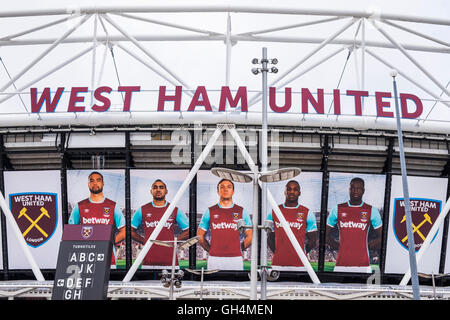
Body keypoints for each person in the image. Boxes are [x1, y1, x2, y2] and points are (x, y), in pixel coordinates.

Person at [68, 171, 126, 268]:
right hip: (86, 256)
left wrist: (109, 241)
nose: (95, 183)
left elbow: (124, 231)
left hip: (108, 255)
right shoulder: (79, 206)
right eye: (92, 181)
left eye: (98, 180)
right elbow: (71, 232)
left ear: (103, 183)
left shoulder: (113, 206)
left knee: (108, 282)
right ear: (88, 184)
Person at [326, 177, 382, 273]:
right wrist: (338, 246)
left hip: (363, 265)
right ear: (349, 190)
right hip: (341, 265)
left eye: (358, 188)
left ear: (363, 190)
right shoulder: (338, 209)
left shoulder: (371, 210)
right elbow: (325, 234)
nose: (355, 191)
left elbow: (382, 237)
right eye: (353, 188)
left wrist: (366, 247)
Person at [131, 179, 189, 269]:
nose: (158, 190)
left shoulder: (174, 209)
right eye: (155, 187)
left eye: (161, 187)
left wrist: (175, 241)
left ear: (166, 191)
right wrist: (144, 241)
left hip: (170, 260)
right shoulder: (142, 209)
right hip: (148, 261)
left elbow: (189, 231)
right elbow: (130, 231)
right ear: (151, 191)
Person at [197, 178, 252, 271]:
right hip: (214, 258)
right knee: (212, 284)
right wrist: (210, 250)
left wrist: (239, 248)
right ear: (218, 191)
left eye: (229, 187)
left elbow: (251, 236)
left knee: (236, 285)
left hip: (235, 258)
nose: (225, 189)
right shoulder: (210, 211)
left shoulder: (242, 211)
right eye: (222, 187)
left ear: (233, 191)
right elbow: (200, 236)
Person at [267, 180, 318, 271]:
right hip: (278, 263)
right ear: (285, 192)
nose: (292, 192)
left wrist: (301, 253)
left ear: (299, 193)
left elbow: (313, 240)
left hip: (300, 264)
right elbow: (270, 237)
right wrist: (279, 252)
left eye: (295, 189)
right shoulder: (274, 211)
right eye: (289, 189)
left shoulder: (307, 212)